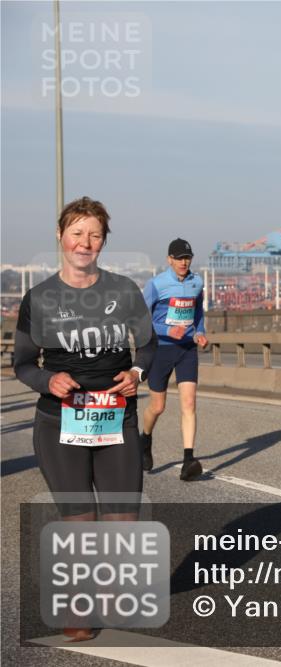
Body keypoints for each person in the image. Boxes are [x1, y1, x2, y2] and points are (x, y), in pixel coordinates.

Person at [13, 196, 155, 642]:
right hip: (60, 422)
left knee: (122, 520)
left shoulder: (124, 291)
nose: (84, 242)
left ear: (103, 241)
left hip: (117, 421)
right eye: (77, 232)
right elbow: (22, 362)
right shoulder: (38, 298)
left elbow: (148, 347)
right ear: (60, 236)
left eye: (94, 234)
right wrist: (47, 379)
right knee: (79, 518)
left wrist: (135, 373)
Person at [140, 238, 208, 481]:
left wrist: (200, 332)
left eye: (187, 257)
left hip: (187, 349)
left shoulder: (196, 282)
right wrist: (167, 331)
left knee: (189, 404)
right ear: (169, 259)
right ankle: (145, 439)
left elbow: (198, 311)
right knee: (158, 407)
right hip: (161, 350)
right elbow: (140, 320)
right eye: (179, 258)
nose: (184, 262)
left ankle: (188, 460)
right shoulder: (156, 285)